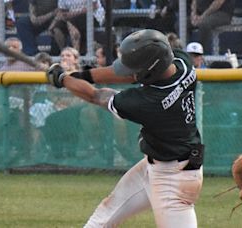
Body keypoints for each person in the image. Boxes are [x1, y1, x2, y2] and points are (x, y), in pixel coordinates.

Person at [47, 29, 204, 227]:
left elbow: (95, 96)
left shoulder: (150, 101)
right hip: (158, 165)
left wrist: (63, 79)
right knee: (101, 220)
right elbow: (133, 74)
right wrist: (81, 75)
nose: (133, 73)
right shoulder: (182, 63)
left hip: (174, 181)